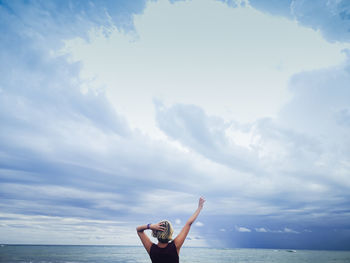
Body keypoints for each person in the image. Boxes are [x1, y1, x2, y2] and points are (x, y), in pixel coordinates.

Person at [136, 197, 205, 263]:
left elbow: (139, 230)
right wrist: (199, 207)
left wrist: (150, 226)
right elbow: (188, 223)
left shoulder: (151, 248)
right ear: (170, 233)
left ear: (156, 232)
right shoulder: (175, 245)